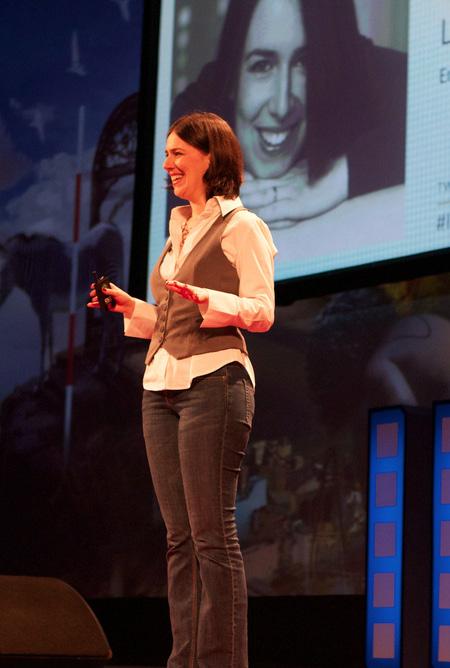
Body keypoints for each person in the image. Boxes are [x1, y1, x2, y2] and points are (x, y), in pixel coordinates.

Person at [88, 111, 276, 667]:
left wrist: (209, 299)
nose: (167, 164)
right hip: (160, 385)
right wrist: (133, 308)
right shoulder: (179, 227)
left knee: (212, 535)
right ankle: (185, 660)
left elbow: (262, 311)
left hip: (215, 380)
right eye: (166, 154)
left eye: (178, 154)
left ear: (210, 158)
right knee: (179, 540)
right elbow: (173, 319)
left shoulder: (242, 226)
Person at [171, 0, 407, 228]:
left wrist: (337, 178)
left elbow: (422, 92)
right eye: (262, 66)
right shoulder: (205, 103)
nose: (281, 108)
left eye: (305, 63)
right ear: (231, 79)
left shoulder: (353, 70)